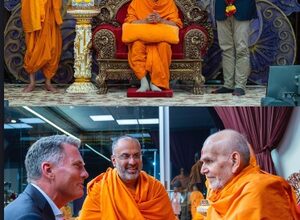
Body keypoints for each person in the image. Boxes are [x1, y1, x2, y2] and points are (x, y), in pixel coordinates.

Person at [200, 129, 300, 219]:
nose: (202, 170)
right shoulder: (215, 188)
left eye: (209, 161)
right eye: (202, 162)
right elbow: (202, 213)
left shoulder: (259, 190)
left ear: (235, 161)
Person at [78, 136, 176, 219]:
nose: (132, 162)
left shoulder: (155, 188)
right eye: (125, 156)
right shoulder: (101, 190)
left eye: (136, 156)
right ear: (114, 160)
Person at [4, 135, 89, 220]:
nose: (85, 174)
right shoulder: (30, 216)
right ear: (49, 170)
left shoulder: (32, 208)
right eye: (77, 165)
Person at [124, 0, 183, 92]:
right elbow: (130, 22)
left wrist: (161, 20)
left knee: (164, 46)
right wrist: (145, 20)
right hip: (142, 36)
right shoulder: (138, 2)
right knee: (136, 45)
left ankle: (157, 83)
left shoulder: (168, 2)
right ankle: (144, 82)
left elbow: (176, 24)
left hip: (161, 37)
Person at [212, 0, 257, 96]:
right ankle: (228, 85)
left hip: (243, 7)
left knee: (241, 48)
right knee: (226, 48)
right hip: (221, 6)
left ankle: (240, 86)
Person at [21, 0, 63, 92]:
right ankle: (32, 82)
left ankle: (48, 83)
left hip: (50, 15)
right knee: (32, 49)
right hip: (34, 16)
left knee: (52, 47)